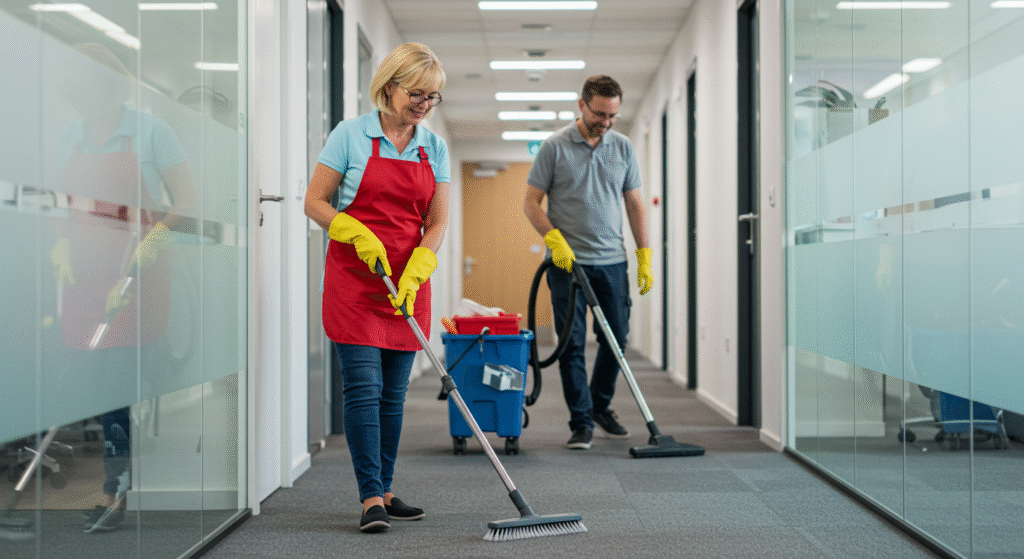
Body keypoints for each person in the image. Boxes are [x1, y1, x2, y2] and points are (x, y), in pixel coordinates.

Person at [49, 42, 196, 532]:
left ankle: (116, 490)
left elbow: (187, 202)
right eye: (73, 96)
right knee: (88, 379)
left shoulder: (152, 132)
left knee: (115, 383)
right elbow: (62, 202)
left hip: (136, 274)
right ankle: (113, 481)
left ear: (108, 87)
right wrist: (60, 245)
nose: (78, 105)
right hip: (84, 275)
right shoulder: (71, 134)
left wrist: (154, 239)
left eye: (83, 93)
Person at [303, 43, 449, 533]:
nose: (424, 104)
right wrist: (351, 229)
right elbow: (314, 201)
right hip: (355, 280)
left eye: (433, 96)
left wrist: (421, 264)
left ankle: (386, 489)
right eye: (417, 93)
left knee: (394, 393)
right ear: (390, 87)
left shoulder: (434, 147)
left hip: (405, 283)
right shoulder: (350, 135)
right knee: (364, 388)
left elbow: (437, 221)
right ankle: (369, 497)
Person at [523, 75, 653, 450]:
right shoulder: (554, 147)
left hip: (612, 262)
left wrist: (644, 255)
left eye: (613, 115)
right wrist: (553, 239)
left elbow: (635, 204)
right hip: (567, 265)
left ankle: (600, 406)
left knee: (617, 338)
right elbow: (531, 203)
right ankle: (581, 421)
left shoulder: (624, 148)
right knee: (571, 343)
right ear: (581, 105)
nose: (606, 122)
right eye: (599, 113)